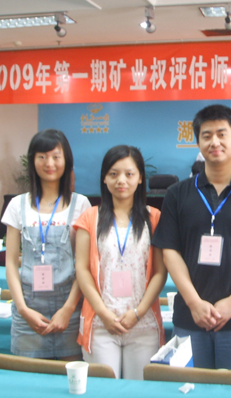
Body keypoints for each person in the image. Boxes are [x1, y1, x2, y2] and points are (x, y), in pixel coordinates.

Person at [152, 104, 231, 370]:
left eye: (222, 134)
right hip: (190, 317)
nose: (215, 142)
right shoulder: (177, 194)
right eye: (207, 135)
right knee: (189, 387)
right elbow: (170, 251)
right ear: (198, 142)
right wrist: (194, 302)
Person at [74, 145, 166, 379]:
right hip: (101, 323)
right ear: (104, 178)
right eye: (113, 174)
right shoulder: (89, 217)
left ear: (140, 178)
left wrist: (138, 312)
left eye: (129, 174)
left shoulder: (154, 217)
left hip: (143, 323)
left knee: (139, 390)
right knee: (104, 390)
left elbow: (160, 272)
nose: (121, 180)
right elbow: (82, 270)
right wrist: (104, 314)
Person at [2, 129, 91, 360]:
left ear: (66, 160)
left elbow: (85, 265)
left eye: (55, 156)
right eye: (42, 156)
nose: (49, 163)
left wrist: (68, 309)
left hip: (70, 308)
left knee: (71, 373)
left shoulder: (81, 204)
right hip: (28, 307)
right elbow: (10, 264)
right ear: (33, 161)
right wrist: (23, 309)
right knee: (29, 376)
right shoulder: (17, 205)